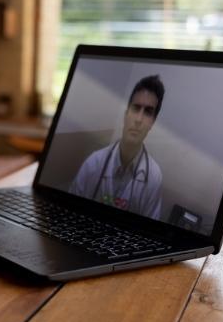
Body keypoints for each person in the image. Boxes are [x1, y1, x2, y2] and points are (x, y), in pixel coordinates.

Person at [69, 75, 165, 219]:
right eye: (136, 108)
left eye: (148, 112)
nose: (138, 119)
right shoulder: (94, 162)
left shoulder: (154, 177)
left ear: (152, 122)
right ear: (126, 114)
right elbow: (70, 211)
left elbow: (151, 233)